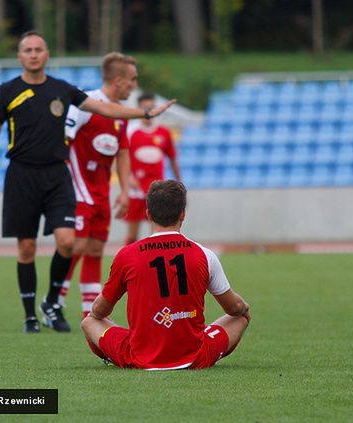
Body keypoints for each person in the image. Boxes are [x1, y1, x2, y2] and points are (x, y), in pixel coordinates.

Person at [0, 31, 176, 334]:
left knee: (81, 245)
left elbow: (116, 133)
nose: (33, 54)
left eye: (39, 49)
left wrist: (146, 113)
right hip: (37, 178)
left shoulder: (65, 91)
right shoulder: (9, 91)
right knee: (37, 246)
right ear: (20, 56)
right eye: (27, 50)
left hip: (73, 183)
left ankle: (72, 306)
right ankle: (38, 310)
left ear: (47, 54)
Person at [81, 180, 250, 369]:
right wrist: (244, 309)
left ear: (148, 214)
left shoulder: (127, 255)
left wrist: (100, 317)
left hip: (139, 358)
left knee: (89, 322)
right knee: (240, 318)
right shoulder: (204, 254)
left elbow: (100, 310)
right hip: (195, 358)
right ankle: (199, 356)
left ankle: (114, 357)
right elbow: (234, 308)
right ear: (183, 214)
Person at [57, 52, 137, 318]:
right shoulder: (85, 104)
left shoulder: (120, 115)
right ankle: (54, 302)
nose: (134, 85)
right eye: (132, 80)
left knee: (95, 249)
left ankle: (87, 312)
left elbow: (123, 152)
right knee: (76, 246)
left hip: (101, 191)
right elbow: (62, 140)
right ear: (118, 81)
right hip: (78, 188)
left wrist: (124, 191)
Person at [123, 92, 181, 245]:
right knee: (132, 235)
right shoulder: (130, 132)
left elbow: (173, 158)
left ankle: (151, 266)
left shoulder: (164, 132)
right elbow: (121, 157)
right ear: (139, 109)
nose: (149, 111)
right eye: (145, 108)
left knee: (157, 232)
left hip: (157, 189)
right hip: (135, 190)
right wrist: (128, 178)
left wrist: (179, 183)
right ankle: (127, 264)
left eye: (151, 107)